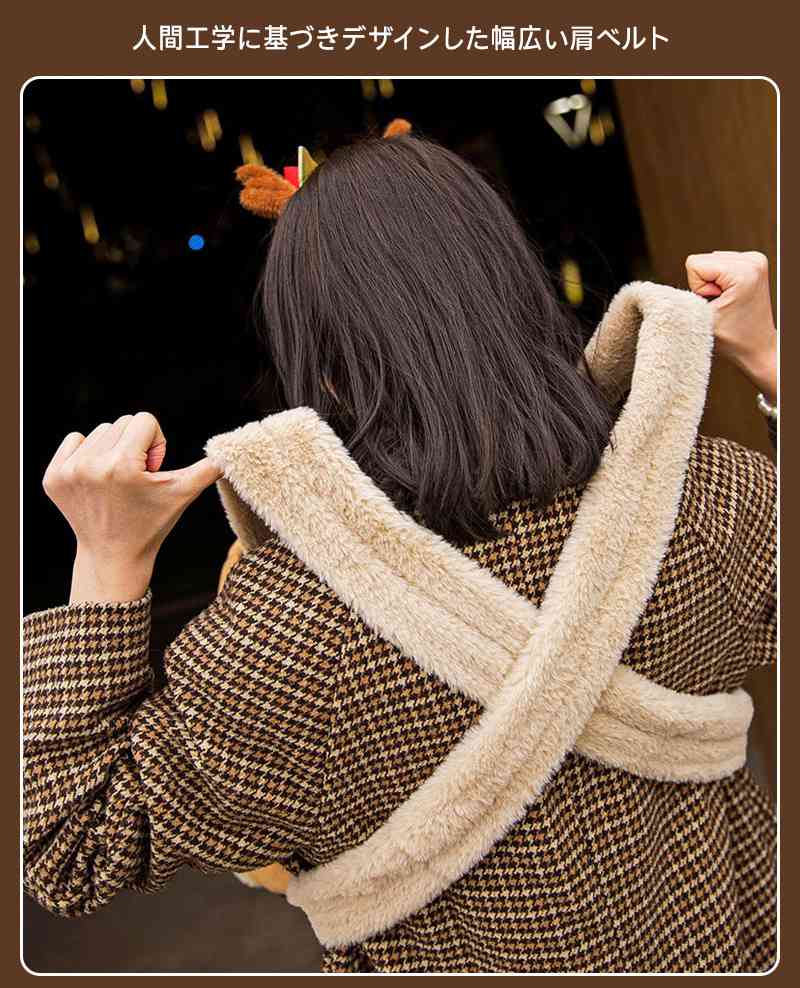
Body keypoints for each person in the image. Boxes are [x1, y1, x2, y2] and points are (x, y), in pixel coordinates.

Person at [22, 132, 777, 974]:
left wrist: (108, 557)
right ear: (518, 285)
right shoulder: (709, 502)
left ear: (323, 366)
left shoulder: (293, 632)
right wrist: (771, 359)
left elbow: (69, 846)